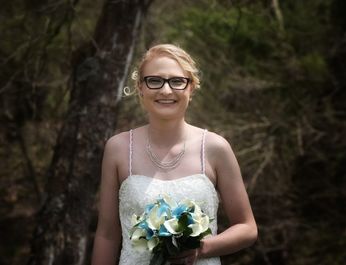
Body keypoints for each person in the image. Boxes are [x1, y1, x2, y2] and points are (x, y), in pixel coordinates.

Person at [92, 44, 257, 265]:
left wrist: (201, 248)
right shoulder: (118, 148)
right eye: (154, 80)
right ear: (140, 87)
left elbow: (247, 228)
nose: (166, 90)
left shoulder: (216, 148)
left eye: (177, 81)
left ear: (192, 87)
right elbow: (107, 235)